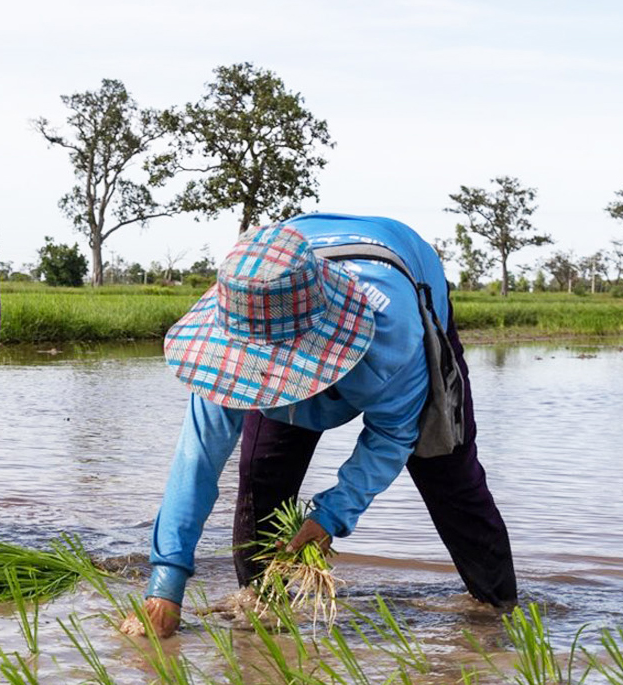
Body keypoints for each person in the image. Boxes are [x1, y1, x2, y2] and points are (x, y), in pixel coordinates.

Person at [121, 214, 517, 638]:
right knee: (263, 477)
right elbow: (196, 461)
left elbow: (392, 434)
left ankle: (501, 615)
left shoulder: (392, 338)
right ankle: (260, 615)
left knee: (448, 475)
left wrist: (331, 516)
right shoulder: (241, 312)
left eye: (281, 369)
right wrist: (165, 585)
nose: (274, 382)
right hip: (288, 282)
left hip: (406, 283)